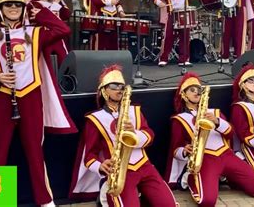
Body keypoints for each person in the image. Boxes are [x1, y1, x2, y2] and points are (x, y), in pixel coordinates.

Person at [0, 0, 77, 207]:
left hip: (30, 96)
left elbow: (63, 30)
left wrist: (43, 12)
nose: (13, 8)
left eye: (18, 4)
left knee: (36, 152)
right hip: (1, 97)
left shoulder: (35, 33)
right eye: (8, 4)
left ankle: (45, 201)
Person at [69, 65, 177, 207]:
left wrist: (134, 134)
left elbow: (150, 136)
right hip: (119, 171)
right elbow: (89, 156)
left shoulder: (135, 111)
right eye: (114, 86)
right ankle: (106, 190)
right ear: (103, 90)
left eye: (122, 86)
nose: (119, 89)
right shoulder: (95, 119)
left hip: (144, 165)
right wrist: (101, 166)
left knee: (168, 205)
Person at [165, 72, 254, 206]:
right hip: (204, 159)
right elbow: (175, 149)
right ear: (184, 95)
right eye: (192, 90)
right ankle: (191, 178)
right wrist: (185, 151)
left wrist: (217, 122)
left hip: (226, 154)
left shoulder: (215, 112)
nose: (197, 93)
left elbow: (231, 133)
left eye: (199, 90)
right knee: (207, 202)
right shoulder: (179, 119)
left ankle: (224, 178)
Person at [153, 0, 202, 67]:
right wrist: (159, 2)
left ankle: (184, 59)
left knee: (185, 37)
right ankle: (164, 58)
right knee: (168, 37)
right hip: (172, 14)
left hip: (184, 14)